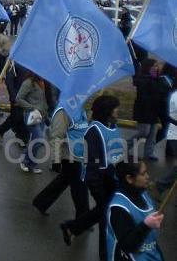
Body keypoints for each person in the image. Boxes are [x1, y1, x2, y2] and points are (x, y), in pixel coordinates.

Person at [60, 95, 125, 261]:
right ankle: (105, 256)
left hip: (112, 179)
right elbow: (93, 165)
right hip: (100, 182)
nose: (118, 110)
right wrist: (97, 189)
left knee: (102, 212)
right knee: (106, 219)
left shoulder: (112, 125)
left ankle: (71, 228)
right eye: (115, 108)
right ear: (108, 111)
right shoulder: (94, 131)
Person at [32, 106, 90, 218]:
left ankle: (41, 202)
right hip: (69, 155)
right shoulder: (63, 111)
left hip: (78, 153)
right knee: (79, 185)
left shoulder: (81, 108)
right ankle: (83, 218)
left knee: (64, 180)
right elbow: (56, 136)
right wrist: (56, 159)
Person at [106, 161, 165, 260]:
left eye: (147, 172)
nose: (148, 176)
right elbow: (127, 245)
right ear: (129, 178)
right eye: (143, 174)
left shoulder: (143, 194)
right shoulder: (119, 207)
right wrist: (146, 225)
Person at [129, 58, 162, 161]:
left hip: (154, 110)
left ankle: (149, 154)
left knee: (152, 134)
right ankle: (124, 146)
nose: (157, 68)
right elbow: (144, 95)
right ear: (148, 67)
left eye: (157, 66)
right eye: (154, 66)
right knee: (144, 132)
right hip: (144, 110)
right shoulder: (142, 79)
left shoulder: (157, 79)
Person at [16, 71, 49, 174]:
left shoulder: (44, 82)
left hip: (42, 116)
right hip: (32, 116)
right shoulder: (28, 82)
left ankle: (30, 164)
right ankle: (25, 161)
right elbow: (19, 98)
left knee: (36, 141)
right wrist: (32, 108)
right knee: (39, 139)